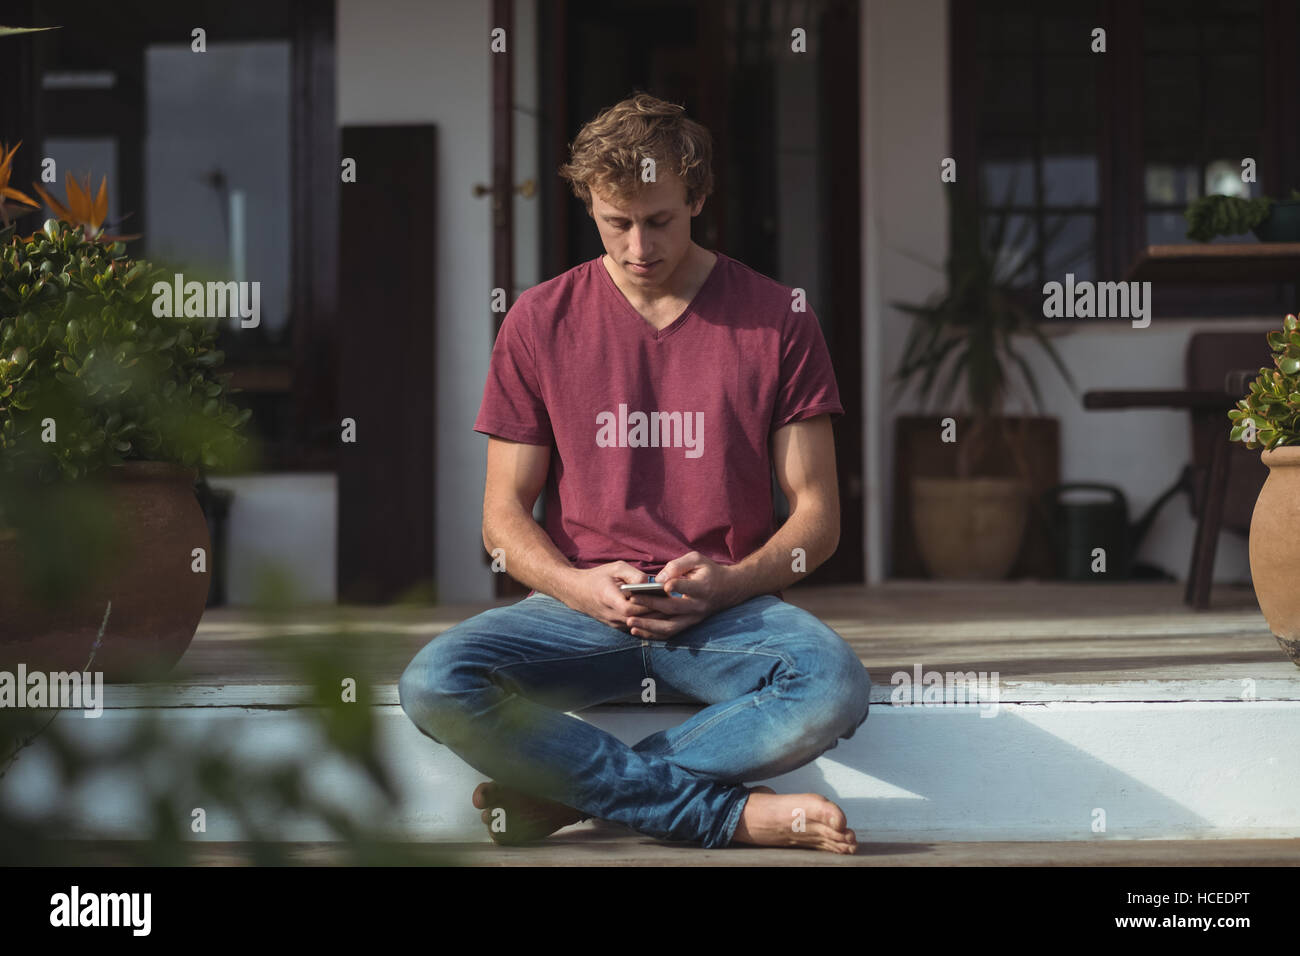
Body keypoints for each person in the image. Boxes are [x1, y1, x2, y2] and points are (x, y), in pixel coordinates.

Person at [399, 92, 870, 854]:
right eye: (616, 222)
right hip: (580, 609)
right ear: (589, 203)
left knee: (833, 686)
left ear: (699, 200)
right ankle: (725, 817)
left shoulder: (778, 317)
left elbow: (816, 517)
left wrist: (731, 580)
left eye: (660, 220)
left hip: (726, 614)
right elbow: (503, 517)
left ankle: (557, 796)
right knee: (433, 682)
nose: (637, 246)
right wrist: (580, 587)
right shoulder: (539, 319)